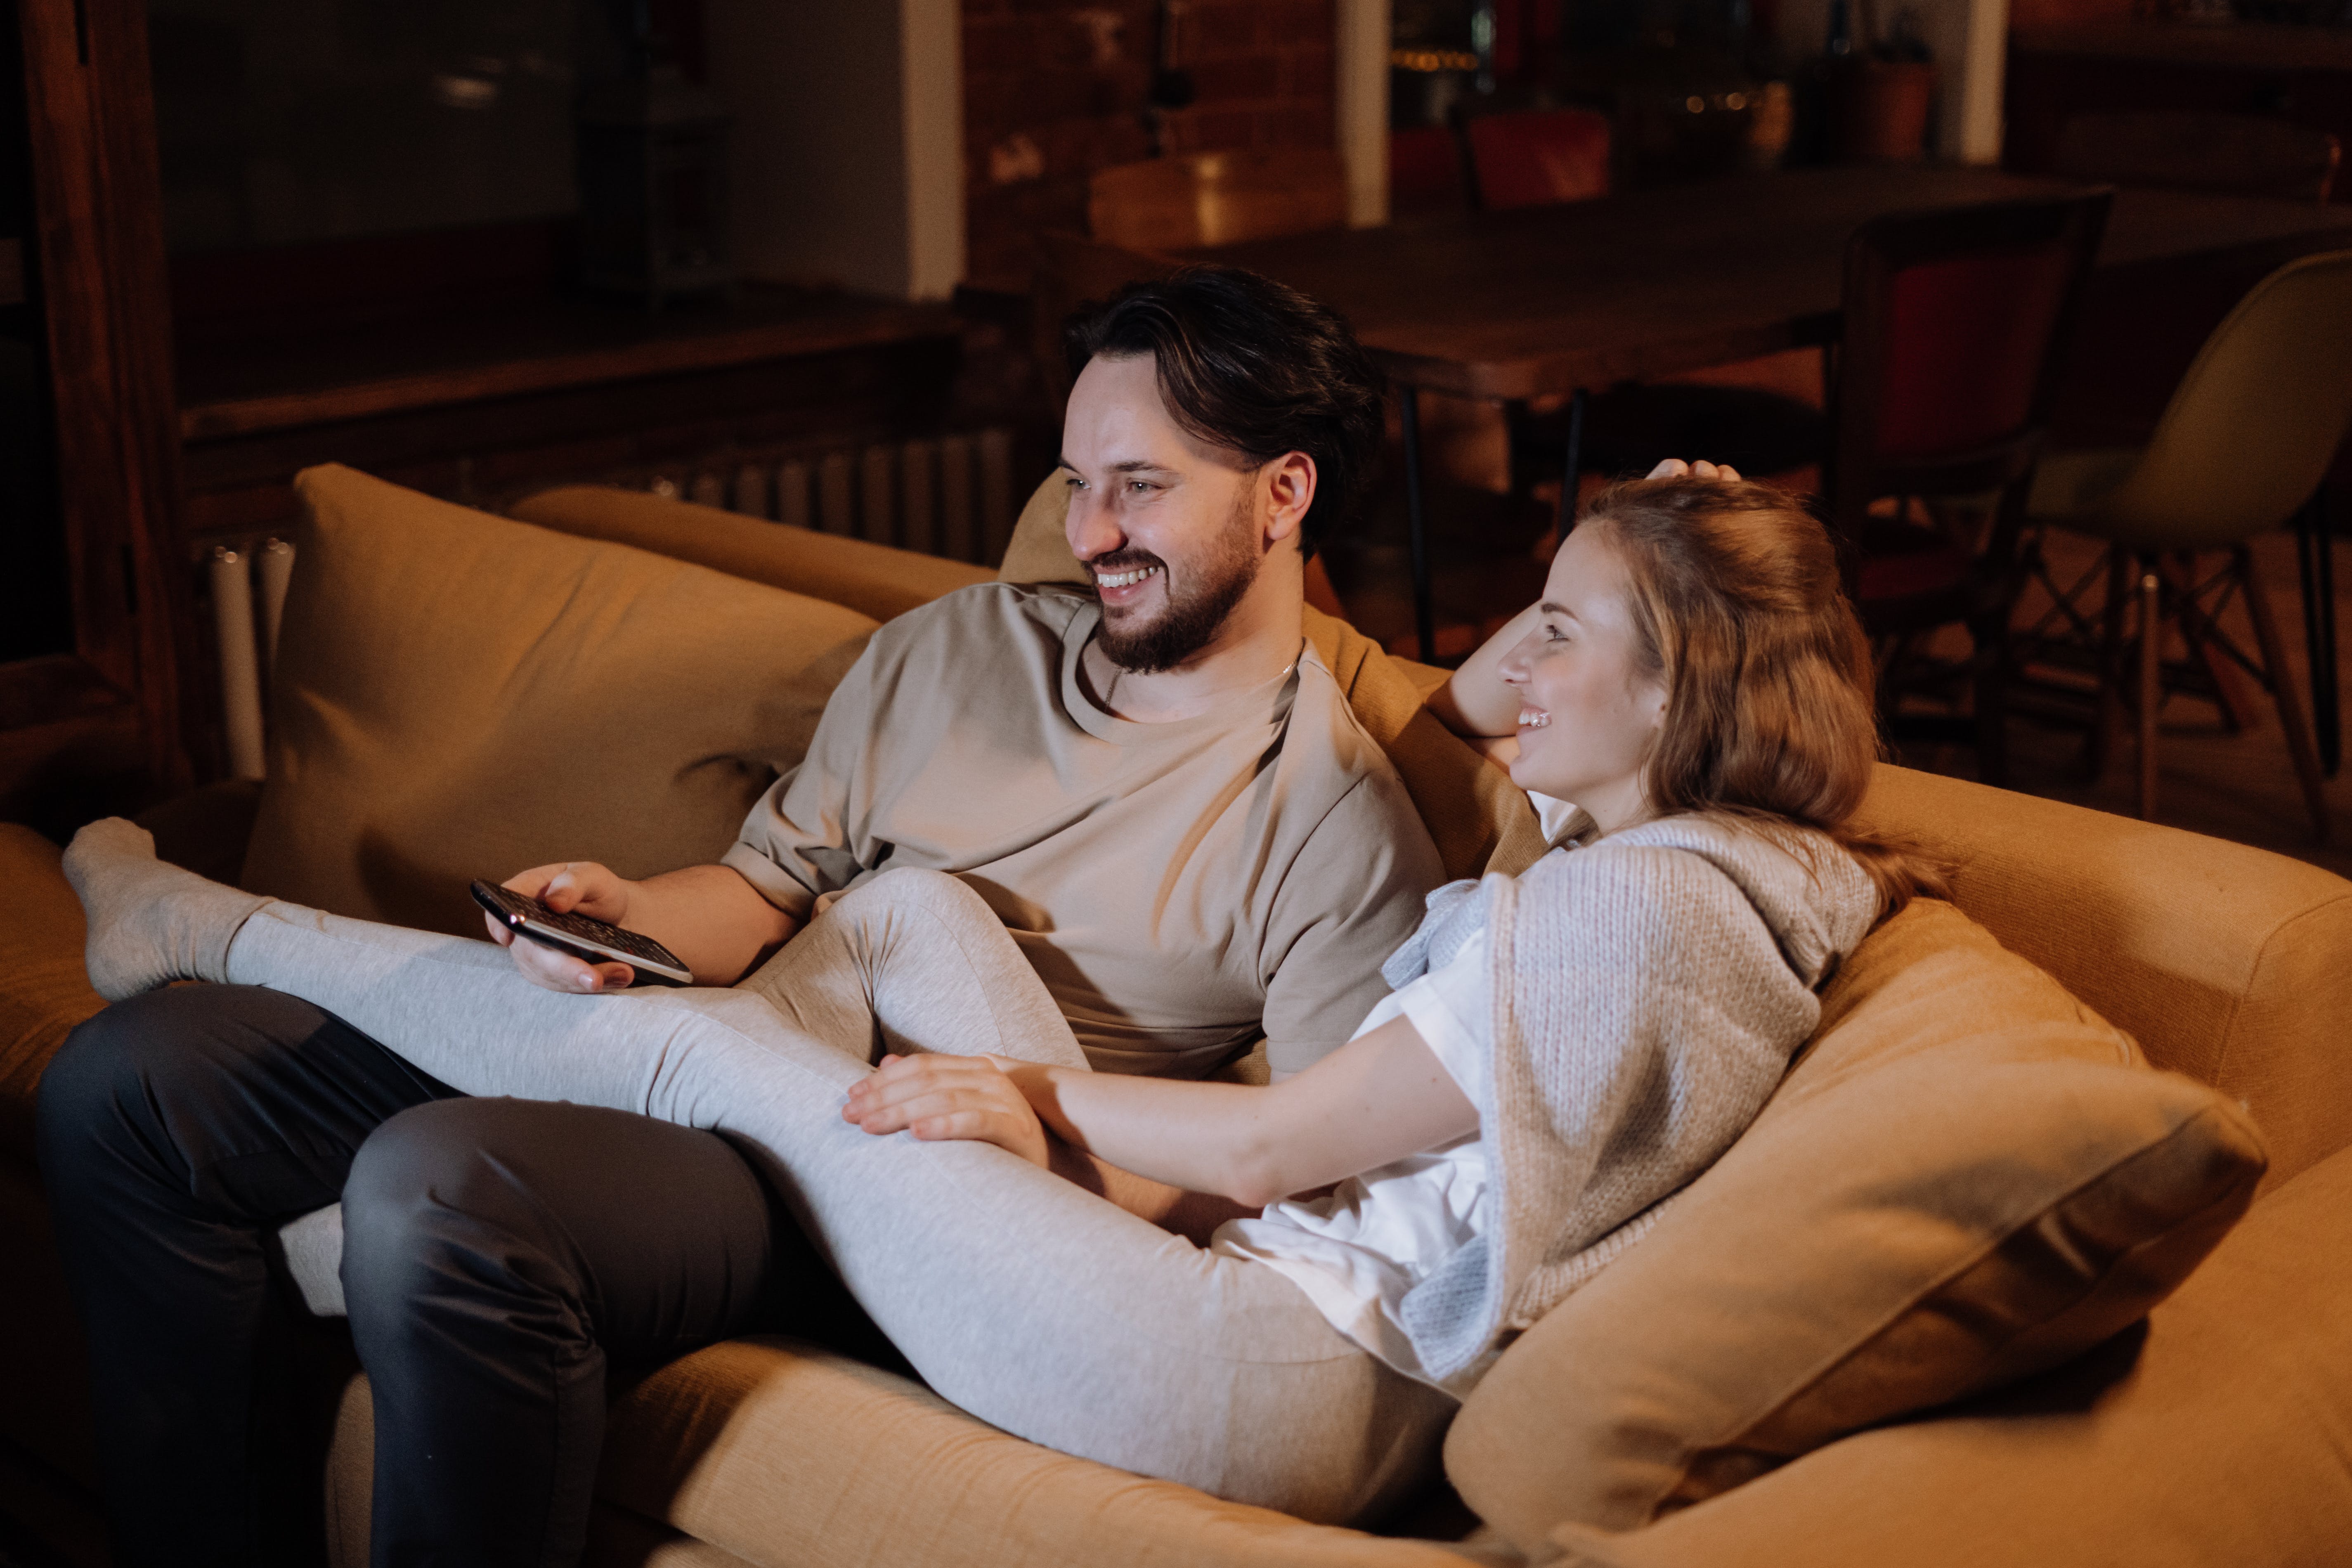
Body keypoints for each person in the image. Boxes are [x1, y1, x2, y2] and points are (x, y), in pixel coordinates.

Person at [36, 267, 1450, 1568]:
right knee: (141, 1078)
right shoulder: (954, 651)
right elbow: (766, 893)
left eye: (1138, 488)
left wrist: (1050, 1138)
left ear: (1282, 494)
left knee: (446, 1181)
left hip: (887, 1180)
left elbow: (1290, 1172)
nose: (1089, 534)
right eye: (1075, 481)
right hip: (736, 1026)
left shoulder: (1330, 823)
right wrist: (623, 914)